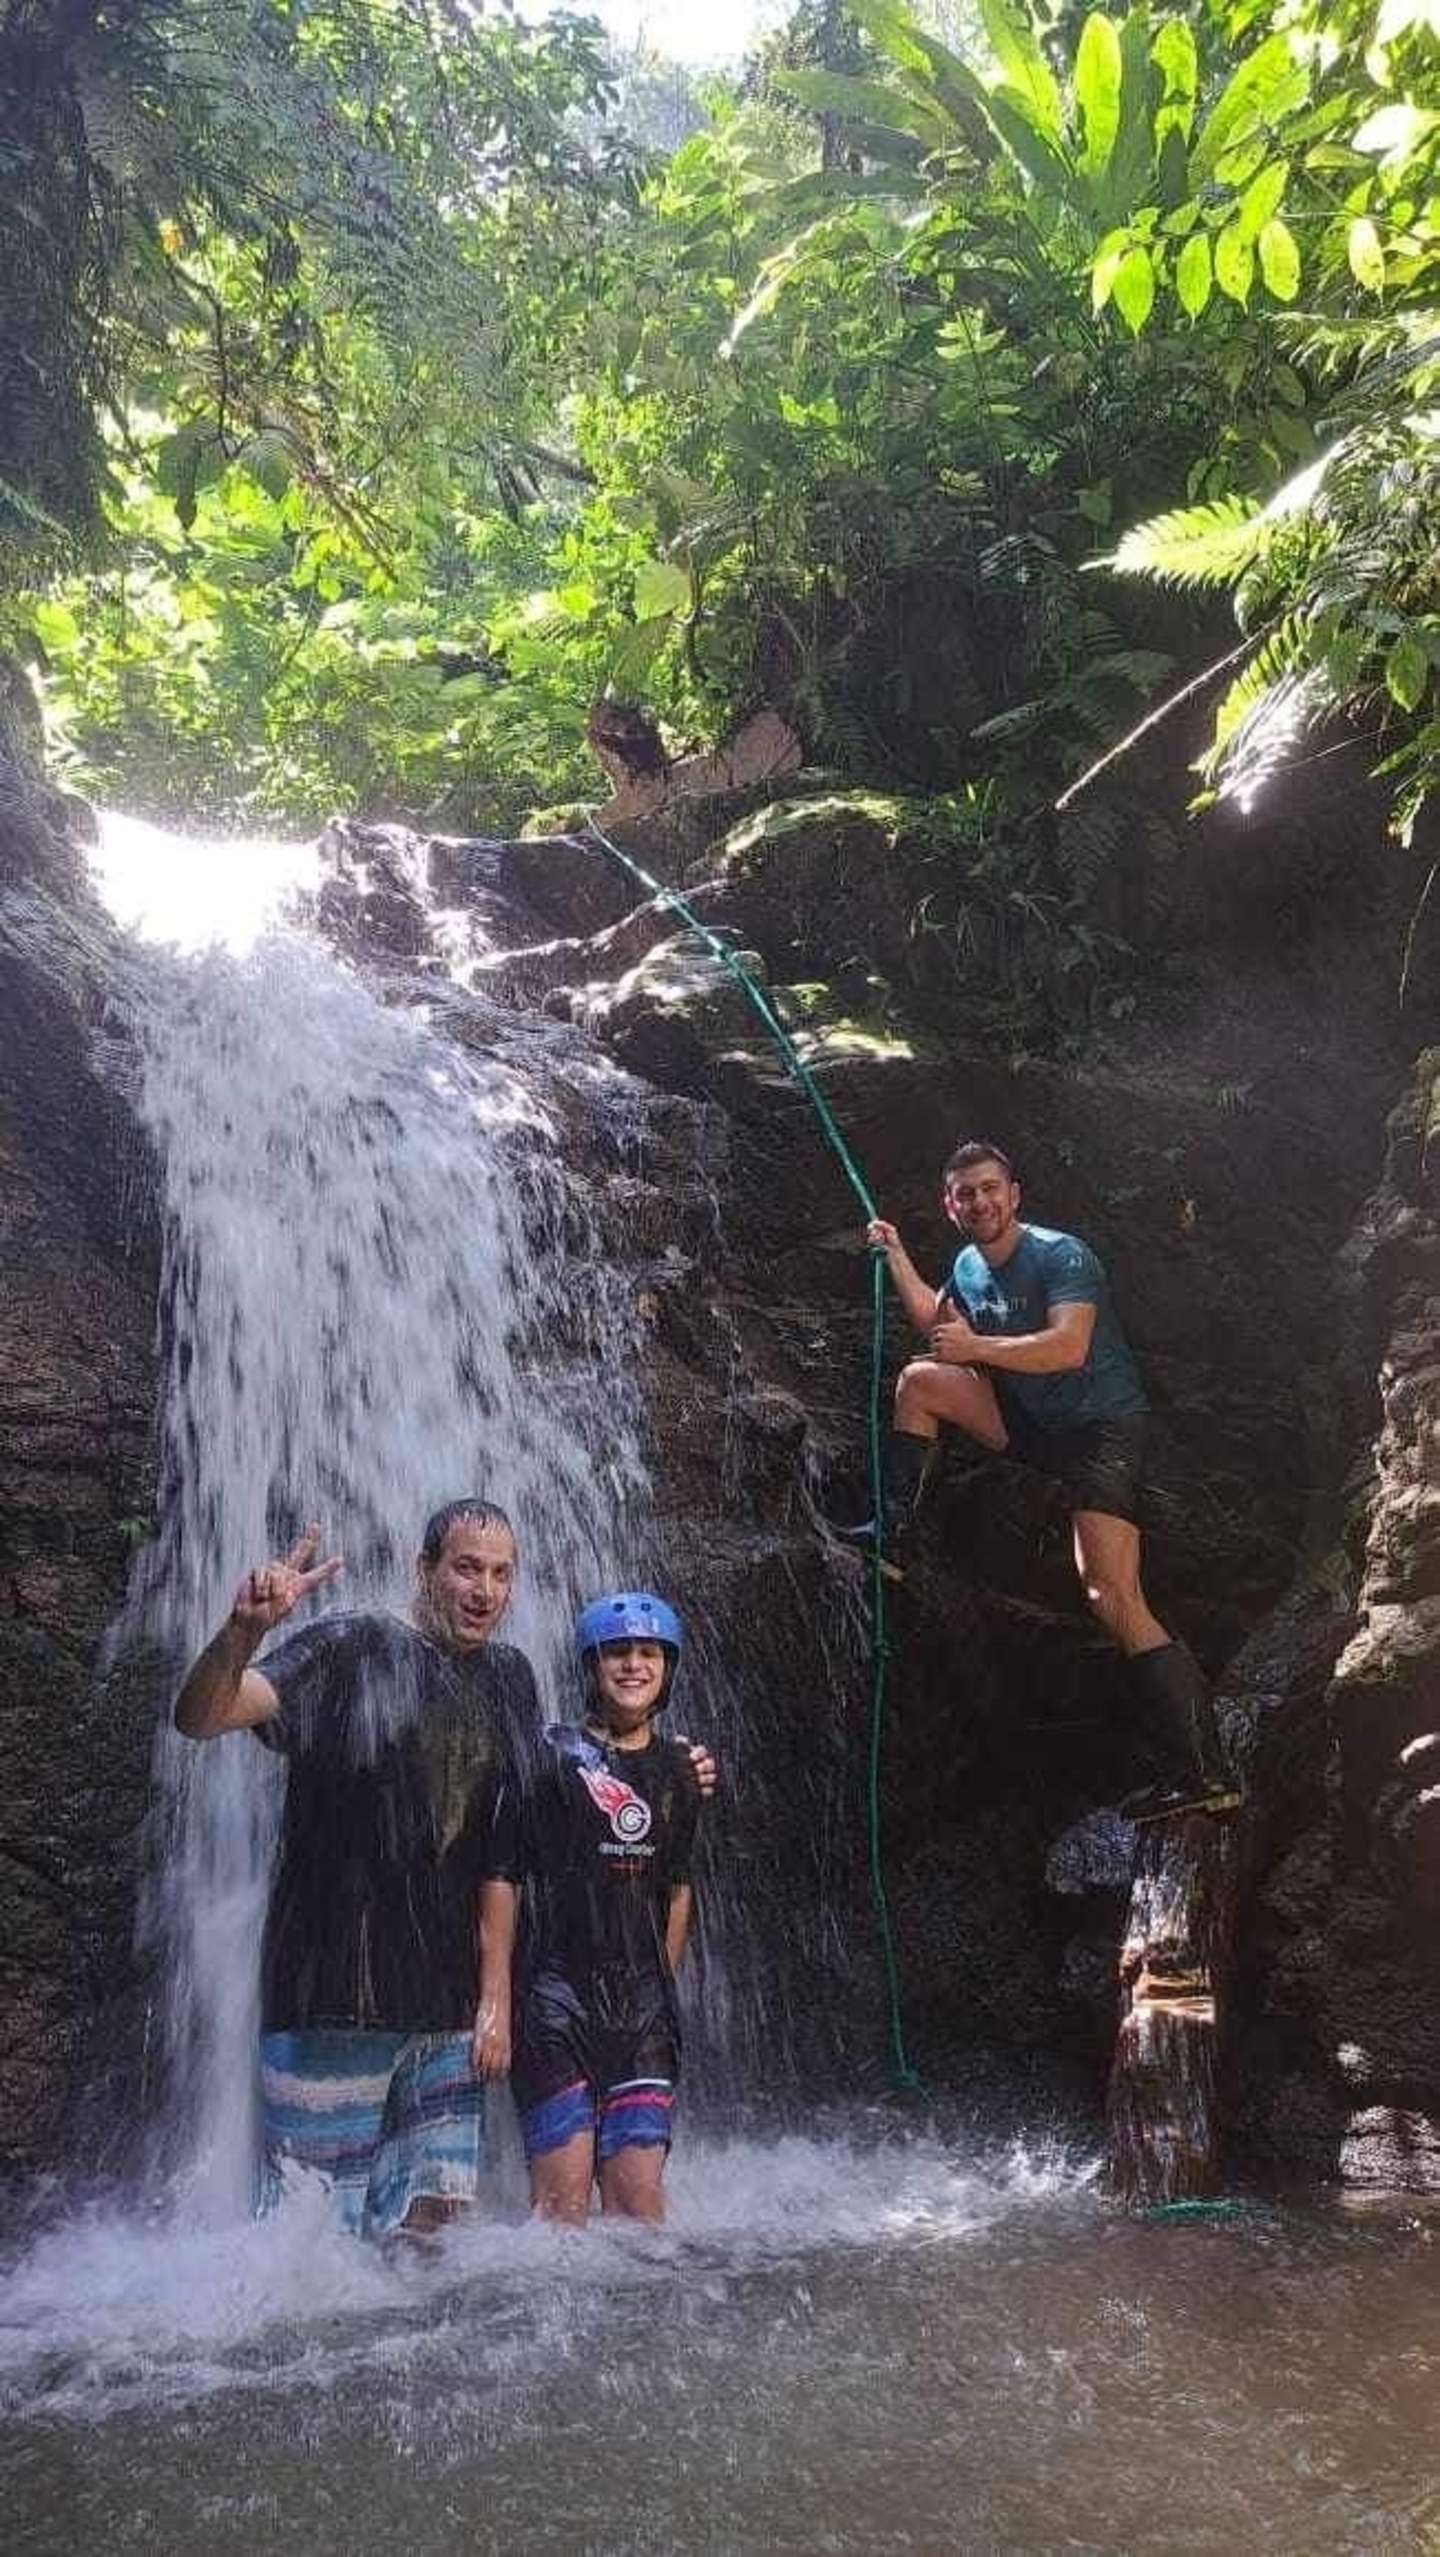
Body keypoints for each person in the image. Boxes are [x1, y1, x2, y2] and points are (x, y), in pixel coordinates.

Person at [173, 1504, 715, 2235]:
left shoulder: (510, 1676)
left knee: (435, 2239)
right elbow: (202, 1717)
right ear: (422, 1568)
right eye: (466, 1568)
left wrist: (670, 1770)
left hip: (452, 2016)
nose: (484, 1590)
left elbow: (552, 1808)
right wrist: (243, 1632)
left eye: (500, 1574)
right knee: (310, 2241)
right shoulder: (348, 1645)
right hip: (335, 1999)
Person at [860, 1139, 1239, 1824]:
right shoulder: (968, 1265)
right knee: (920, 1381)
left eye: (990, 1188)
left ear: (1014, 1194)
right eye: (966, 1193)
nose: (980, 1201)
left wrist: (977, 1348)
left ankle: (1207, 1770)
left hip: (1101, 1432)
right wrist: (896, 1256)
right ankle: (895, 1536)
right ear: (950, 1205)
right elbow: (939, 1327)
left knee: (1109, 1594)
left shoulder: (1062, 1254)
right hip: (1030, 1423)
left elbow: (1069, 1346)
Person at [473, 1592, 701, 2225]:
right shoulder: (548, 1754)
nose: (633, 1665)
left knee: (639, 2206)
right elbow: (501, 1877)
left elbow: (678, 1886)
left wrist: (661, 1987)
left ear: (667, 1669)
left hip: (642, 2011)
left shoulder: (681, 1770)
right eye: (617, 1652)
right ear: (590, 1666)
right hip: (554, 2003)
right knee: (562, 2206)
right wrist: (496, 2005)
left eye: (649, 1653)